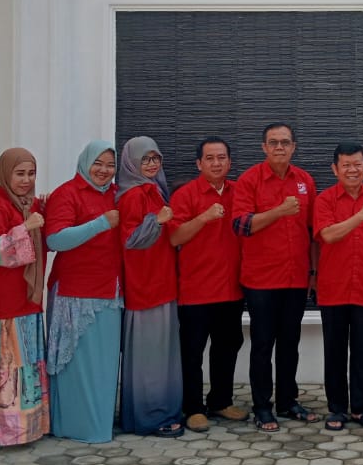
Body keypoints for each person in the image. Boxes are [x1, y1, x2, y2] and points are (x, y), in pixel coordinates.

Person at [232, 123, 319, 431]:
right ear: (264, 147)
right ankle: (261, 406)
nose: (279, 147)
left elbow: (312, 230)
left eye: (285, 142)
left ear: (293, 147)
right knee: (262, 344)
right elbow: (241, 225)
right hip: (261, 280)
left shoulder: (305, 180)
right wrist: (278, 211)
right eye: (273, 142)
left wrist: (313, 272)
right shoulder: (249, 180)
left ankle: (287, 401)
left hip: (296, 278)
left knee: (289, 343)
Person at [44, 140, 121, 443]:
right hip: (74, 294)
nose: (104, 170)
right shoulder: (67, 194)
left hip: (110, 293)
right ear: (85, 163)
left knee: (103, 367)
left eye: (110, 165)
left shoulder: (117, 194)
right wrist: (100, 224)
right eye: (97, 163)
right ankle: (71, 426)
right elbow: (55, 240)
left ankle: (99, 425)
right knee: (74, 365)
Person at [314, 142, 363, 431]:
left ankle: (361, 408)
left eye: (357, 164)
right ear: (335, 169)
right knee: (334, 352)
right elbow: (328, 235)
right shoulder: (324, 200)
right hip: (333, 288)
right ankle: (337, 409)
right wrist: (360, 216)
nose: (352, 170)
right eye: (346, 165)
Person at [0, 147, 49, 447]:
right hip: (4, 300)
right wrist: (25, 228)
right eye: (19, 174)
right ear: (5, 174)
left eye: (31, 173)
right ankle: (6, 430)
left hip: (27, 298)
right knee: (5, 365)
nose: (26, 180)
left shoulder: (30, 204)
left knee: (27, 361)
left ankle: (30, 427)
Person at [170, 136, 247, 433]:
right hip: (196, 290)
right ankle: (192, 407)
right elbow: (175, 238)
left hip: (231, 288)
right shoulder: (185, 195)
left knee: (227, 347)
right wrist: (204, 217)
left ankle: (220, 401)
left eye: (221, 157)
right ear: (199, 163)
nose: (216, 163)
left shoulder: (240, 192)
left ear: (229, 162)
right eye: (210, 158)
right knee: (192, 352)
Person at [116, 136, 183, 437]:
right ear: (131, 163)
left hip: (160, 280)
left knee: (160, 354)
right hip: (146, 285)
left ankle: (159, 411)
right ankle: (149, 417)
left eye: (156, 158)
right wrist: (158, 220)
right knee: (149, 357)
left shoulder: (154, 190)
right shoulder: (134, 195)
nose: (152, 164)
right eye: (145, 159)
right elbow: (131, 240)